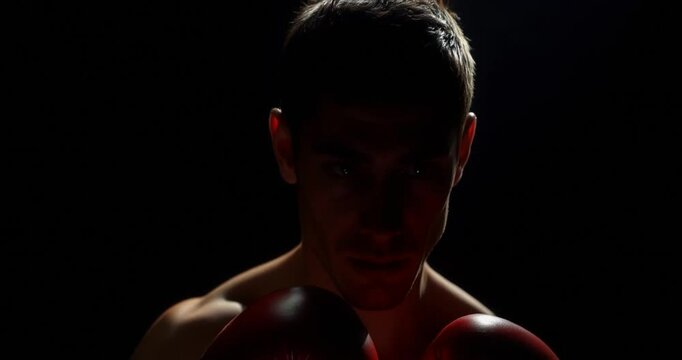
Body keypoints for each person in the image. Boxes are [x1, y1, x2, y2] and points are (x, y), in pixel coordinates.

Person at [131, 1, 558, 359]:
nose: (382, 222)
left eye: (416, 170)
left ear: (462, 151)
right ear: (285, 150)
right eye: (345, 170)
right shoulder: (191, 345)